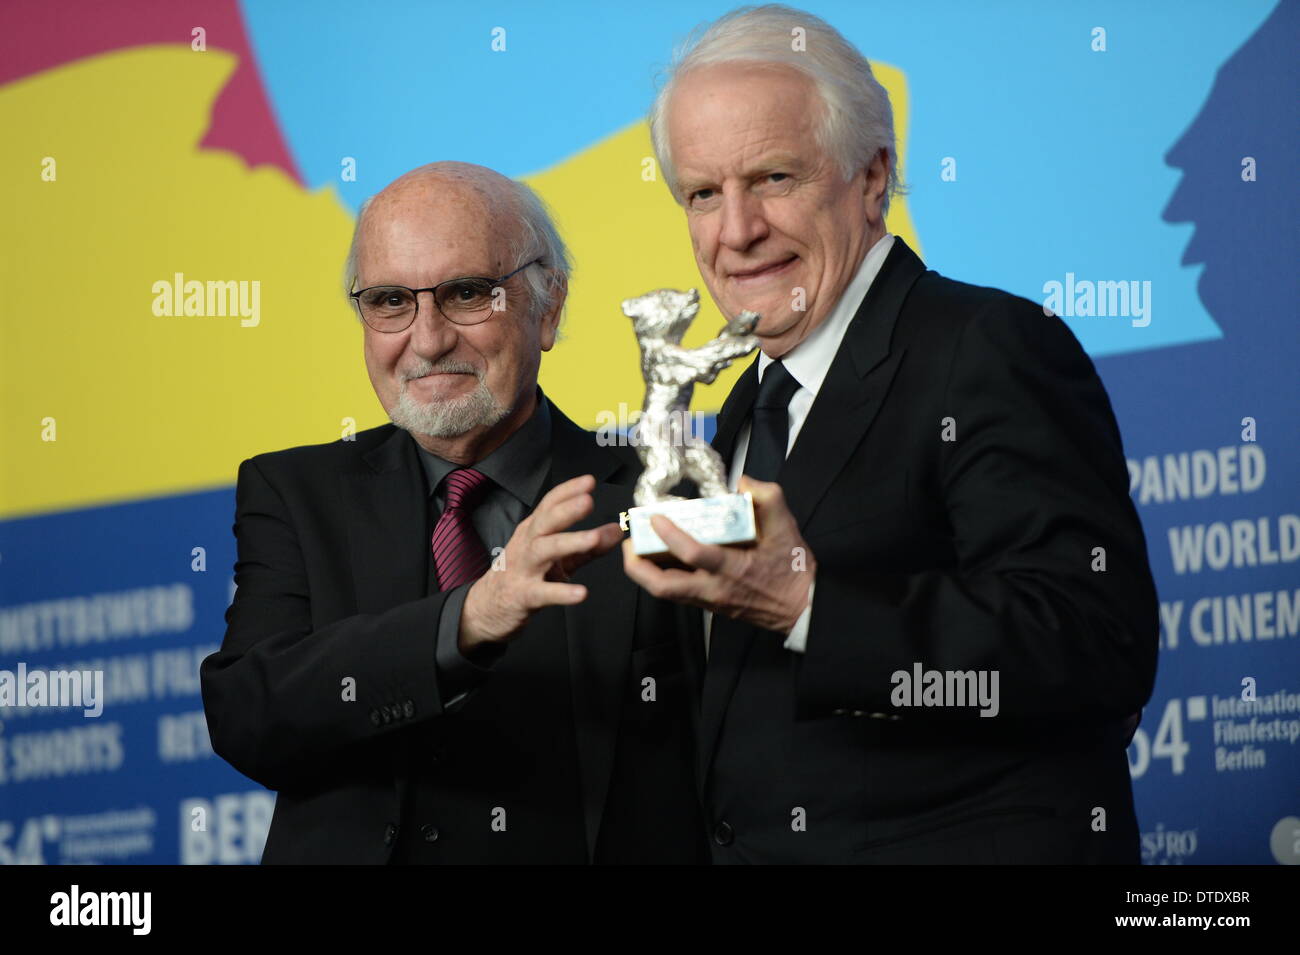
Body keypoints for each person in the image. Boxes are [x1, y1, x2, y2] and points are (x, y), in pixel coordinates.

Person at [623, 4, 1159, 864]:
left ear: (873, 178)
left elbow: (1095, 641)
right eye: (703, 193)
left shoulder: (984, 346)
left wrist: (808, 605)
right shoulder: (740, 412)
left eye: (772, 179)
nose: (735, 231)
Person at [201, 161, 705, 864]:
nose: (429, 338)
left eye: (467, 293)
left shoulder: (664, 490)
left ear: (548, 307)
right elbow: (248, 716)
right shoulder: (295, 493)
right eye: (388, 301)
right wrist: (466, 621)